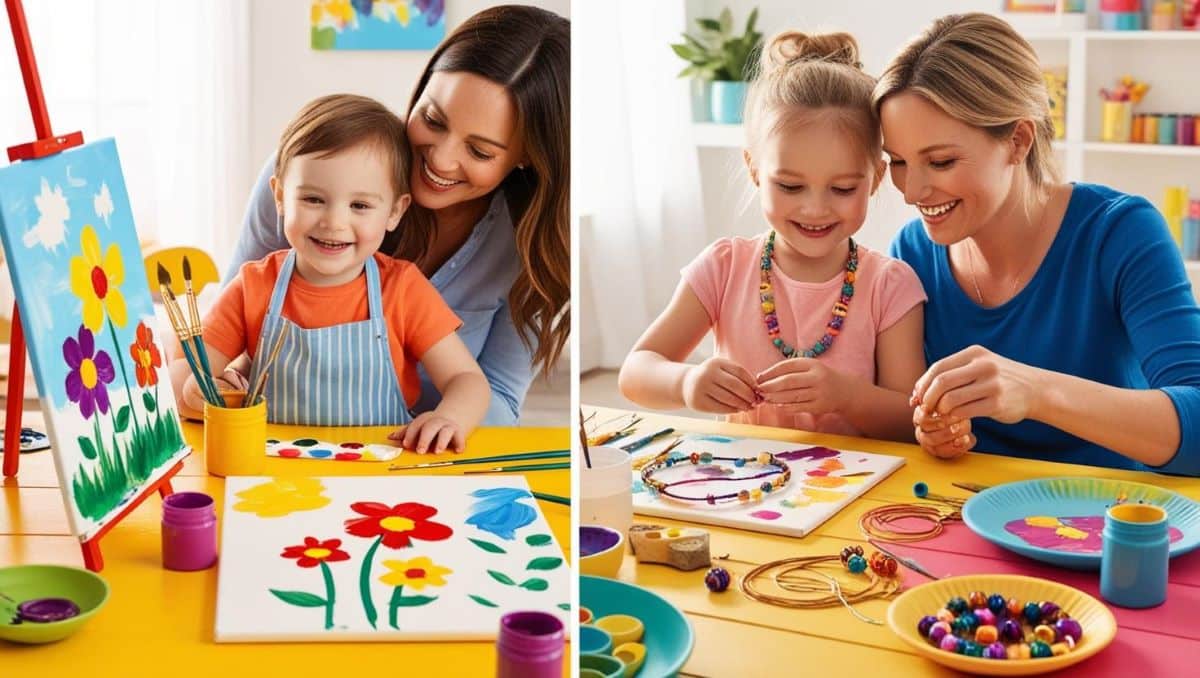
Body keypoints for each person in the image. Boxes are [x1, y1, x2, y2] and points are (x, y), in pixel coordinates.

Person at [879, 13, 1200, 475]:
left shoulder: (1120, 233)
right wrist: (933, 430)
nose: (911, 192)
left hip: (1110, 524)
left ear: (1018, 140)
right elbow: (908, 425)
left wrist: (1036, 392)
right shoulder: (911, 254)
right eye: (899, 162)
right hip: (962, 519)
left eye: (941, 161)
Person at [223, 5, 569, 425]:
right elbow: (226, 342)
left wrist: (437, 433)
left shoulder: (530, 249)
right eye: (432, 119)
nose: (440, 160)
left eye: (479, 151)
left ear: (528, 158)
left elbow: (494, 395)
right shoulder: (309, 173)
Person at [618, 32, 926, 440]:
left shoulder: (890, 285)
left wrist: (848, 396)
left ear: (875, 179)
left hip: (854, 489)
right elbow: (636, 371)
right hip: (741, 486)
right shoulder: (723, 267)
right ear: (754, 170)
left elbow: (911, 422)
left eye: (843, 189)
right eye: (790, 187)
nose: (815, 209)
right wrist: (687, 383)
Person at [172, 94, 489, 454]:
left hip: (377, 473)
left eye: (359, 205)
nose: (333, 222)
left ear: (395, 212)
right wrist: (194, 394)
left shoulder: (402, 289)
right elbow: (186, 371)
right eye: (313, 199)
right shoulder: (253, 286)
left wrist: (449, 418)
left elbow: (468, 381)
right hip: (274, 472)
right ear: (279, 197)